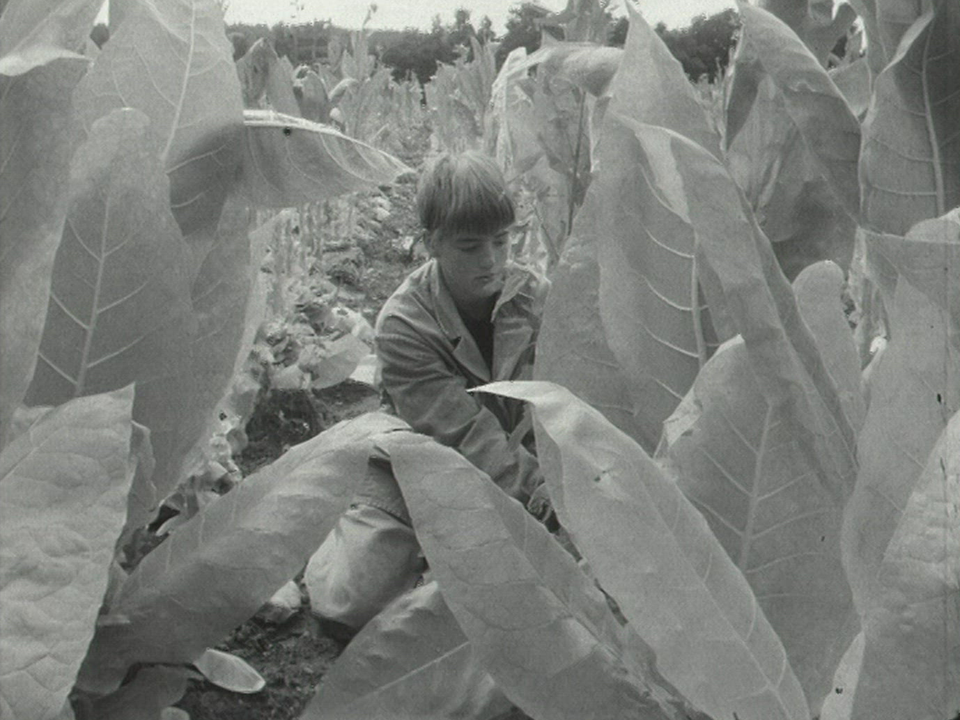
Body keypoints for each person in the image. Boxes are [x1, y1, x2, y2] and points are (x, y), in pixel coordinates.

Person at [305, 151, 551, 635]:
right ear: (431, 244)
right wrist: (543, 501)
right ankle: (334, 524)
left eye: (501, 241)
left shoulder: (535, 296)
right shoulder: (403, 324)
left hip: (519, 464)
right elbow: (461, 432)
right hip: (416, 461)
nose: (492, 261)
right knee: (348, 603)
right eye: (469, 246)